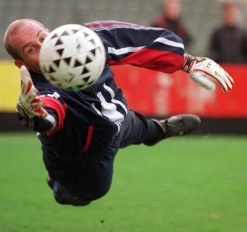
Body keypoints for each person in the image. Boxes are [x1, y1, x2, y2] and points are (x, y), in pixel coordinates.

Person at [4, 19, 233, 206]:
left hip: (116, 121)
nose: (44, 47)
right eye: (31, 49)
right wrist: (34, 115)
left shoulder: (84, 39)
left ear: (49, 30)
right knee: (88, 193)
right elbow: (47, 112)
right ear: (20, 63)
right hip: (86, 157)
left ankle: (160, 129)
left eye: (43, 37)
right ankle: (58, 185)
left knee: (134, 125)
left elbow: (129, 38)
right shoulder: (40, 91)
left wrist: (187, 62)